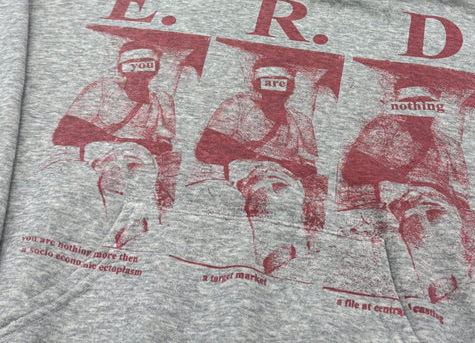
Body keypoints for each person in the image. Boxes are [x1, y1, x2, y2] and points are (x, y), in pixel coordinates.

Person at [339, 82, 475, 303]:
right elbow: (353, 169)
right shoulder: (383, 129)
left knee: (445, 221)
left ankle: (455, 282)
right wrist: (397, 177)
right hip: (398, 193)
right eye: (412, 104)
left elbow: (461, 193)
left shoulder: (449, 145)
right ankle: (437, 282)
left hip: (439, 199)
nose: (419, 112)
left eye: (425, 105)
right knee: (418, 220)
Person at [195, 59, 327, 274]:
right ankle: (275, 257)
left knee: (292, 196)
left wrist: (290, 170)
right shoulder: (238, 106)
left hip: (287, 176)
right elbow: (206, 147)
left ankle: (290, 257)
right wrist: (262, 158)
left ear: (291, 88)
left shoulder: (300, 121)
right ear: (257, 85)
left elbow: (309, 166)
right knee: (269, 194)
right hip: (245, 168)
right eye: (268, 84)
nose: (274, 93)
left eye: (281, 85)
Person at [52, 40, 181, 243]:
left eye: (147, 68)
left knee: (147, 182)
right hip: (101, 154)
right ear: (123, 68)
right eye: (135, 67)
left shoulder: (161, 100)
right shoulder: (102, 89)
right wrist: (118, 141)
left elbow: (165, 142)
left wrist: (147, 148)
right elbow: (64, 133)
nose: (140, 77)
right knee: (114, 176)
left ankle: (136, 228)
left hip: (142, 160)